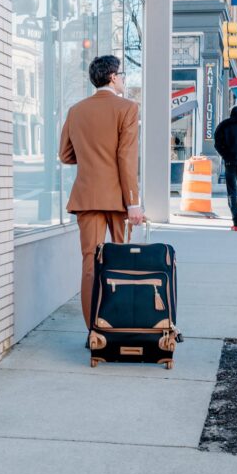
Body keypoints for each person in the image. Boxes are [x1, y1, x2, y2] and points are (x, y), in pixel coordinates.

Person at [59, 54, 144, 326]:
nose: (123, 80)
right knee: (121, 262)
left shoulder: (76, 110)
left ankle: (93, 330)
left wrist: (90, 158)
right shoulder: (127, 108)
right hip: (118, 199)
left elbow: (64, 155)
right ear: (112, 76)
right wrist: (133, 202)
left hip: (86, 197)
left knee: (89, 264)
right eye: (122, 75)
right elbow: (126, 158)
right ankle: (118, 325)